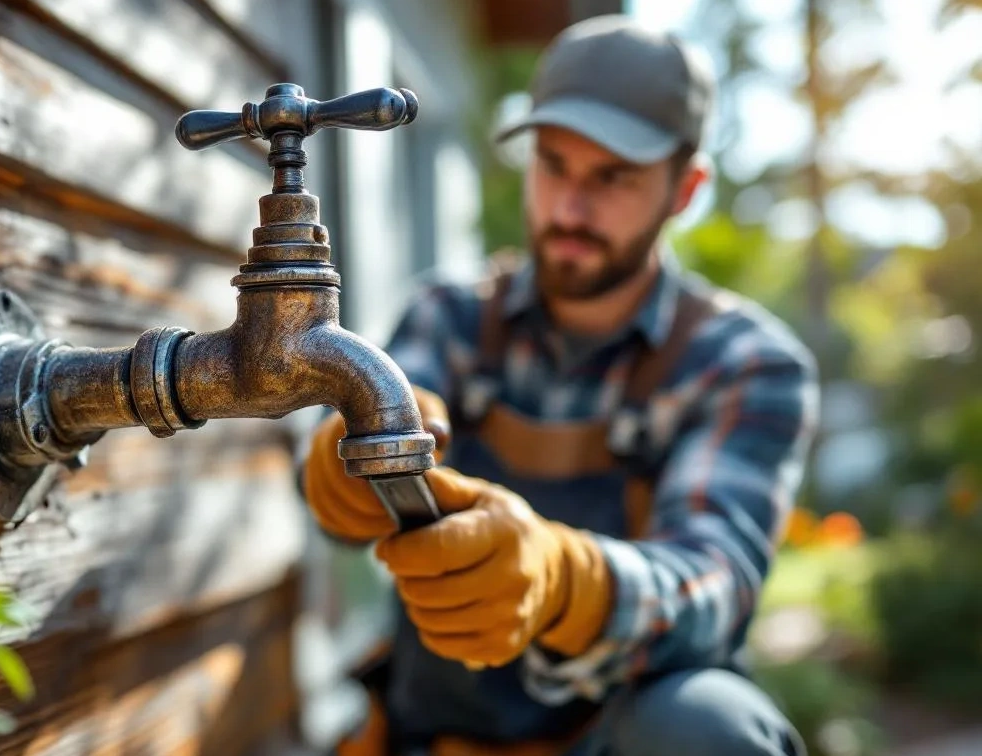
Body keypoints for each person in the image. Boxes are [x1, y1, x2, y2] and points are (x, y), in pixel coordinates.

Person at [300, 14, 820, 756]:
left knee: (712, 727)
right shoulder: (446, 315)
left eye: (613, 176)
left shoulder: (745, 363)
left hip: (614, 739)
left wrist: (564, 582)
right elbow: (332, 498)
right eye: (553, 164)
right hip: (437, 738)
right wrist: (345, 469)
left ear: (685, 188)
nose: (570, 209)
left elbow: (717, 584)